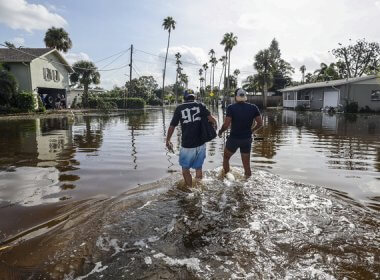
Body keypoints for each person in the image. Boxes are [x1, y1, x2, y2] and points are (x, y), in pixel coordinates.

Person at [166, 90, 217, 188]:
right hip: (201, 143)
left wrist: (168, 140)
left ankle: (190, 190)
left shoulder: (179, 108)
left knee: (185, 170)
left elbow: (172, 126)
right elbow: (212, 120)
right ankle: (199, 187)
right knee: (198, 168)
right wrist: (215, 129)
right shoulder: (200, 105)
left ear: (184, 98)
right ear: (194, 97)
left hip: (187, 144)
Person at [218, 88, 263, 178]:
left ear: (236, 97)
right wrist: (251, 131)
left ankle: (227, 178)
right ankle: (247, 183)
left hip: (234, 139)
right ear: (245, 96)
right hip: (246, 139)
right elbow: (260, 123)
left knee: (226, 158)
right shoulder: (253, 107)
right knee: (247, 166)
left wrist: (220, 132)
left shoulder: (231, 108)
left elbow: (226, 125)